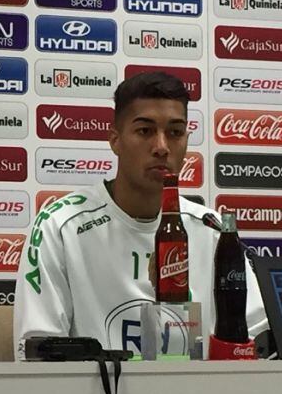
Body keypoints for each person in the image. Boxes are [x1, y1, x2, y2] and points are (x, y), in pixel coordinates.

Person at [13, 71, 267, 357]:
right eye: (145, 131)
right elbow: (37, 354)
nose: (161, 147)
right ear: (115, 140)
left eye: (175, 132)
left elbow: (259, 343)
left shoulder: (213, 229)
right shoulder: (60, 225)